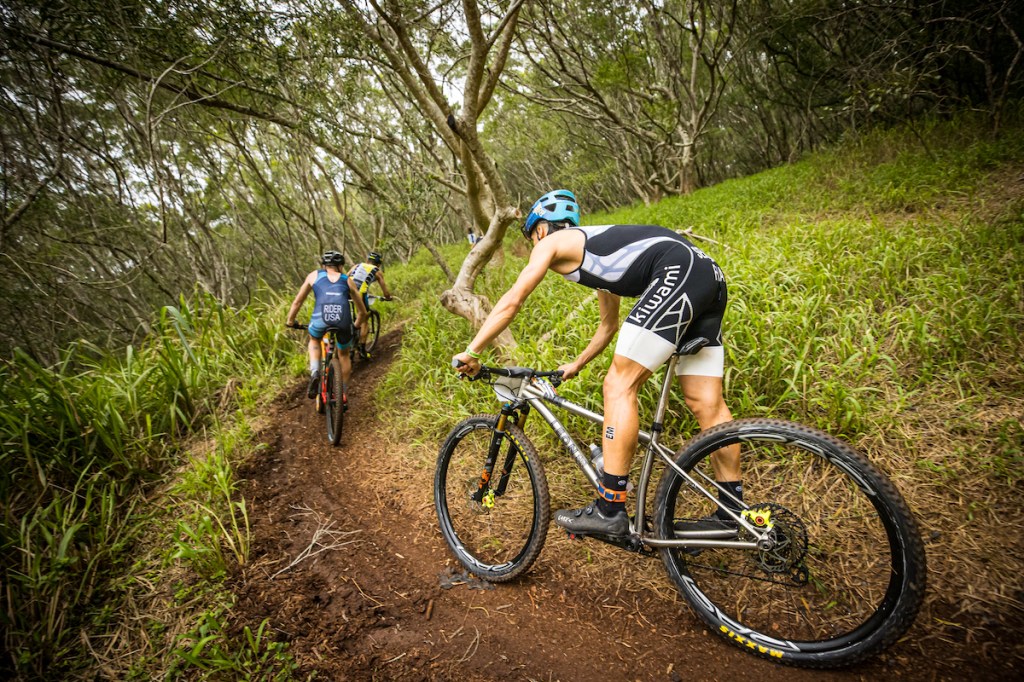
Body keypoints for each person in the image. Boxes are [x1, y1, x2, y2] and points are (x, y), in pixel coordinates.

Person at [451, 190, 741, 537]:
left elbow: (512, 301)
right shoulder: (597, 248)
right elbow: (608, 325)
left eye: (530, 238)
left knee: (619, 386)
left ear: (540, 229)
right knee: (706, 404)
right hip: (708, 274)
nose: (533, 246)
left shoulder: (551, 243)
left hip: (677, 271)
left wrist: (473, 350)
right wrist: (577, 363)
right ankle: (732, 513)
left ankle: (610, 508)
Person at [286, 250, 368, 404]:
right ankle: (342, 392)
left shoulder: (314, 276)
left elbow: (297, 302)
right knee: (343, 354)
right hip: (343, 320)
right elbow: (362, 312)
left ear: (324, 265)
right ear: (341, 266)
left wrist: (291, 321)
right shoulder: (347, 280)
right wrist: (355, 326)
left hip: (320, 319)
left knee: (314, 339)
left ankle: (315, 371)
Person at [348, 251, 394, 357]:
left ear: (367, 260)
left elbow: (345, 278)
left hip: (345, 291)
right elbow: (385, 292)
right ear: (378, 264)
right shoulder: (377, 271)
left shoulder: (356, 266)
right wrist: (388, 297)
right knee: (364, 319)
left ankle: (350, 335)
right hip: (359, 293)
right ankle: (362, 350)